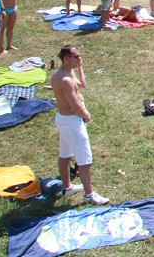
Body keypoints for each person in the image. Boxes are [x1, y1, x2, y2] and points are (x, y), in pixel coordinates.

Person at [52, 45, 109, 205]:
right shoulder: (65, 80)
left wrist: (80, 68)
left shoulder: (64, 74)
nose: (79, 59)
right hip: (72, 121)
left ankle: (67, 186)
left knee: (65, 154)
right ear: (66, 58)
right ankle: (89, 195)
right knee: (84, 160)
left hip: (63, 119)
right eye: (76, 57)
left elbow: (82, 84)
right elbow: (74, 105)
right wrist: (85, 114)